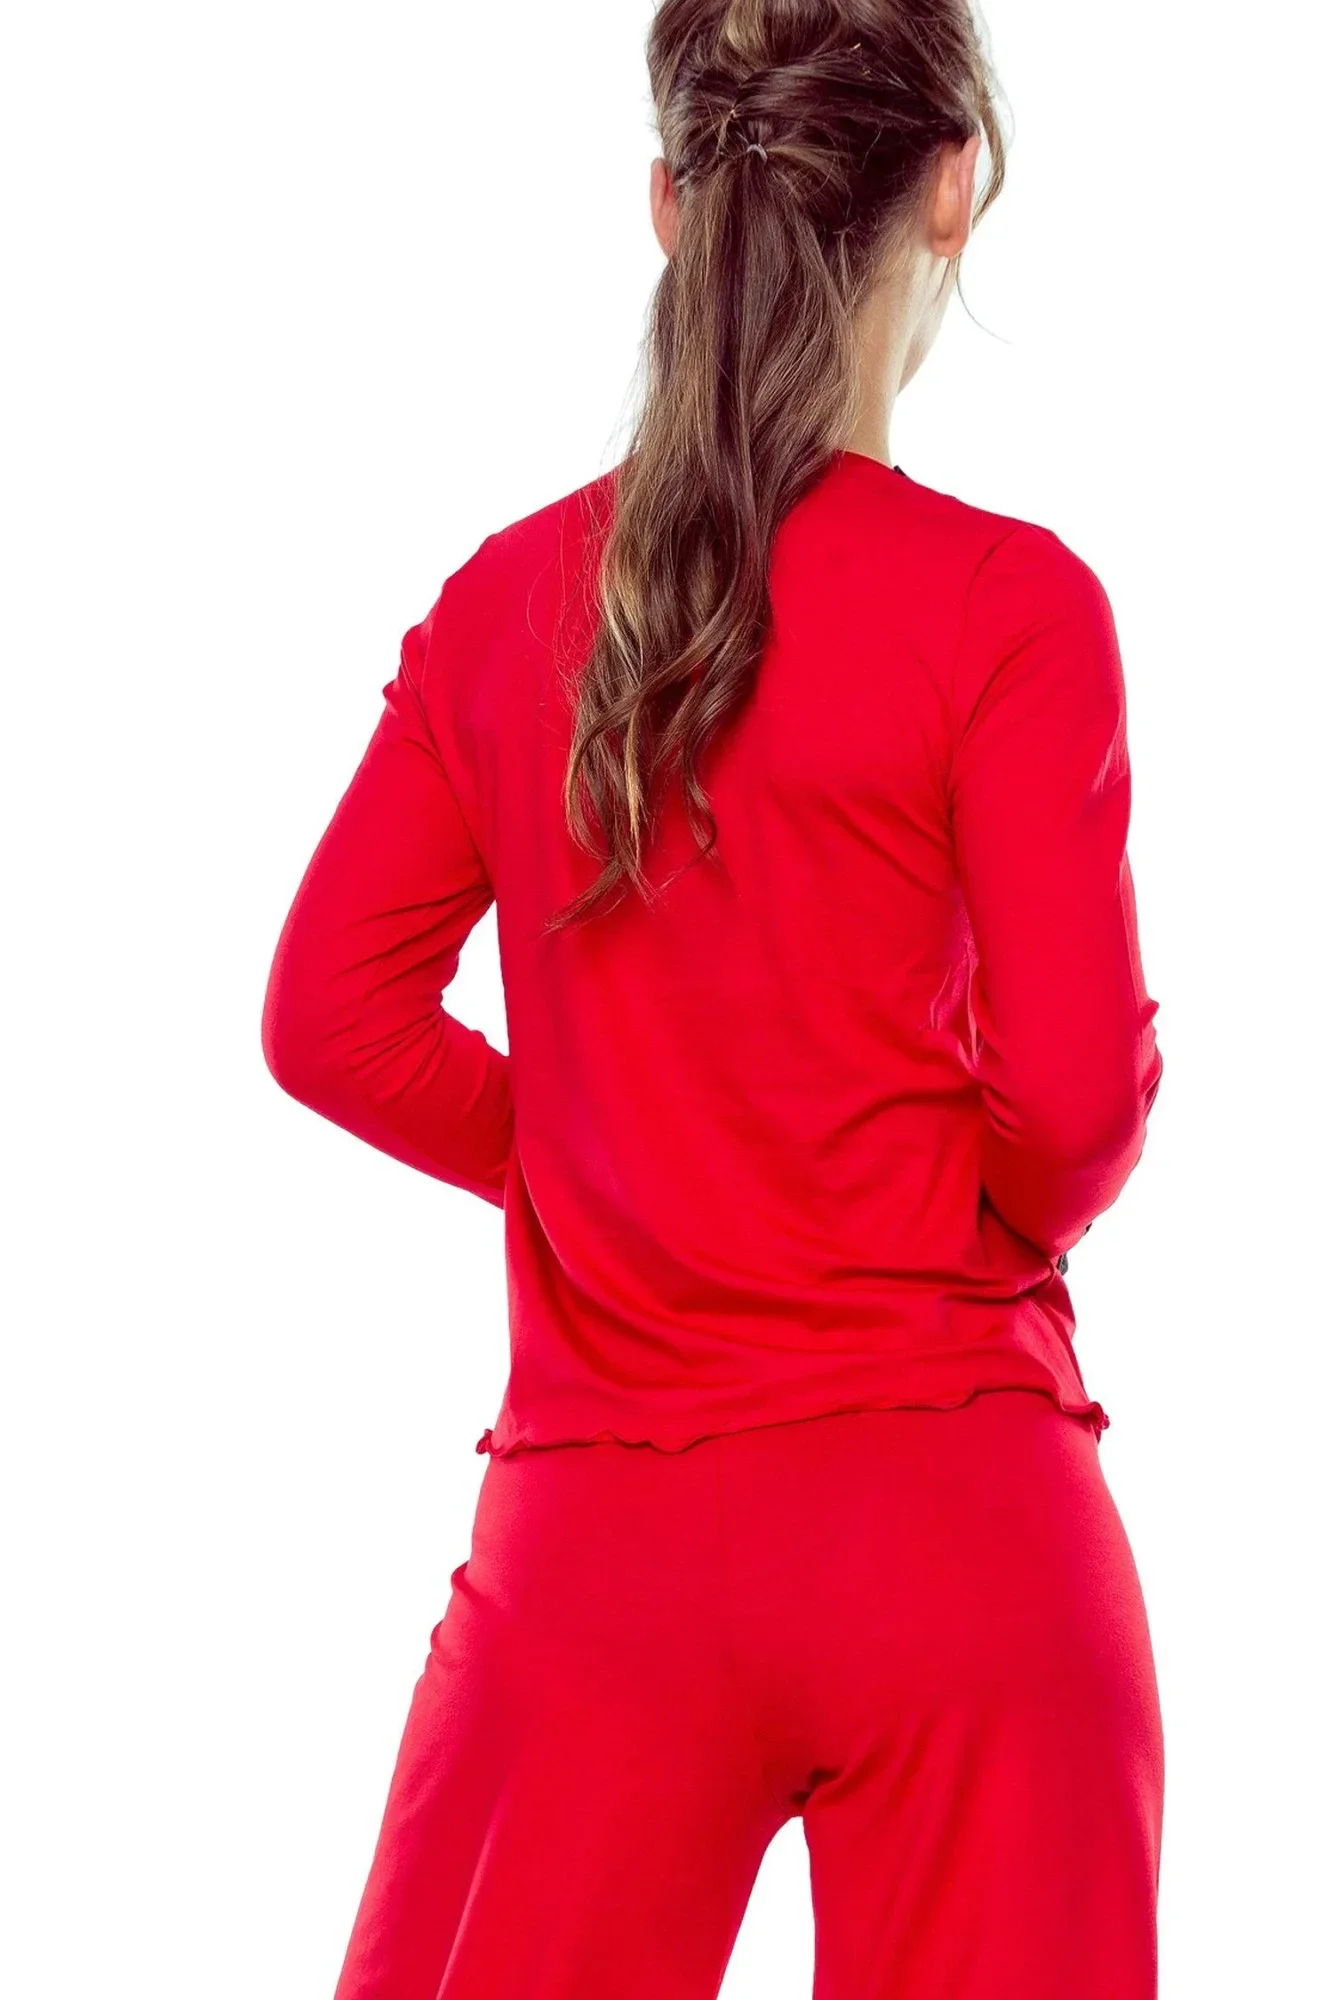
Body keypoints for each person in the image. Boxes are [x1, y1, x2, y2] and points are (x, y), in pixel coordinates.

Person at [262, 1, 1166, 1993]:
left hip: (607, 1552)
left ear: (671, 204)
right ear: (953, 190)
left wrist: (596, 1158)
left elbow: (331, 1015)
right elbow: (1073, 1107)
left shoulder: (510, 605)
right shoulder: (1009, 609)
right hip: (963, 1524)